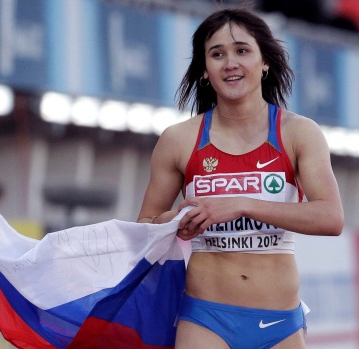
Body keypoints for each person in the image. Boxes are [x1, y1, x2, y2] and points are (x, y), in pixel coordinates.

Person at [137, 7, 343, 349]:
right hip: (205, 318)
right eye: (217, 54)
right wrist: (177, 220)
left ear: (265, 63)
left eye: (242, 51)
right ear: (205, 70)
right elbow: (145, 224)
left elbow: (331, 218)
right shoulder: (179, 139)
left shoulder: (298, 133)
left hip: (279, 321)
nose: (230, 62)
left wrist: (242, 205)